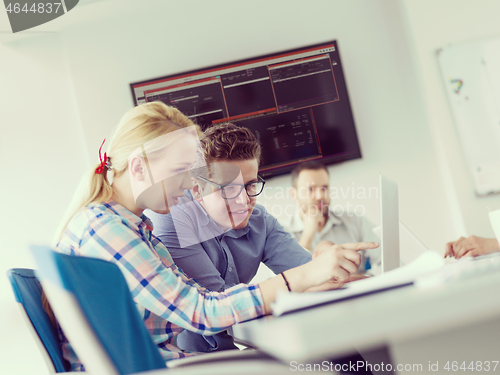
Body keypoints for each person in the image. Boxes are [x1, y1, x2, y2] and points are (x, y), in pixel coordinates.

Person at [53, 102, 373, 371]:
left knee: (335, 354)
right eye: (180, 170)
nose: (187, 185)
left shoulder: (130, 227)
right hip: (174, 366)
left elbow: (201, 301)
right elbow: (203, 313)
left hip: (177, 362)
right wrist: (302, 276)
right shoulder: (108, 230)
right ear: (138, 167)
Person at [148, 123, 379, 353]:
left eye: (250, 185)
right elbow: (217, 306)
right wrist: (305, 279)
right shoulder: (171, 220)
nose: (244, 201)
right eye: (228, 189)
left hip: (245, 346)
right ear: (197, 189)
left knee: (338, 346)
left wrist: (328, 264)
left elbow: (313, 277)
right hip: (192, 360)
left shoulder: (260, 221)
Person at [287, 161, 380, 273]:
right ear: (294, 194)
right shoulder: (282, 233)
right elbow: (286, 282)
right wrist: (307, 235)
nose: (320, 195)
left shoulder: (354, 220)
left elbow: (386, 262)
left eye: (324, 188)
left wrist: (365, 278)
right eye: (311, 189)